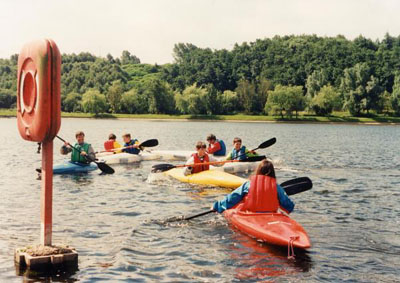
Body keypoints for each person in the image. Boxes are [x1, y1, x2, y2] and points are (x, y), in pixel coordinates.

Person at [212, 159, 294, 214]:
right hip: (270, 216)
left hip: (251, 215)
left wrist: (217, 206)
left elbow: (232, 198)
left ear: (258, 170)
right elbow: (288, 205)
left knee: (241, 202)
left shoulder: (248, 185)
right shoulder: (276, 187)